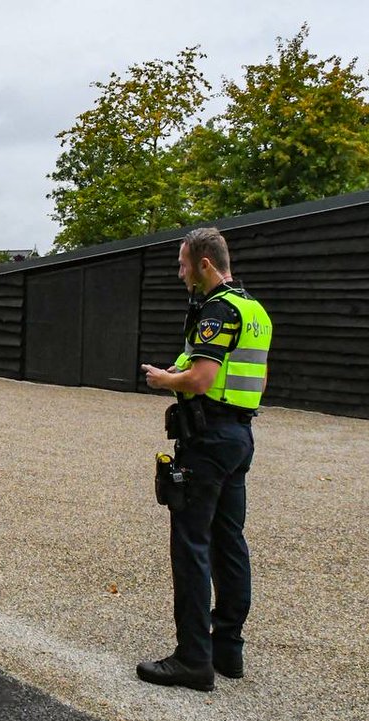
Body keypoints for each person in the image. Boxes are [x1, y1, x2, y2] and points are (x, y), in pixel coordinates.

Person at [138, 227, 273, 692]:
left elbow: (200, 378)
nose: (180, 274)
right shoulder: (254, 310)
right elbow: (249, 377)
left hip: (210, 438)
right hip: (239, 434)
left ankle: (193, 658)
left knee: (191, 543)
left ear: (205, 265)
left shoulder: (218, 309)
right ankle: (227, 649)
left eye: (183, 265)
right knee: (228, 540)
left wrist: (162, 380)